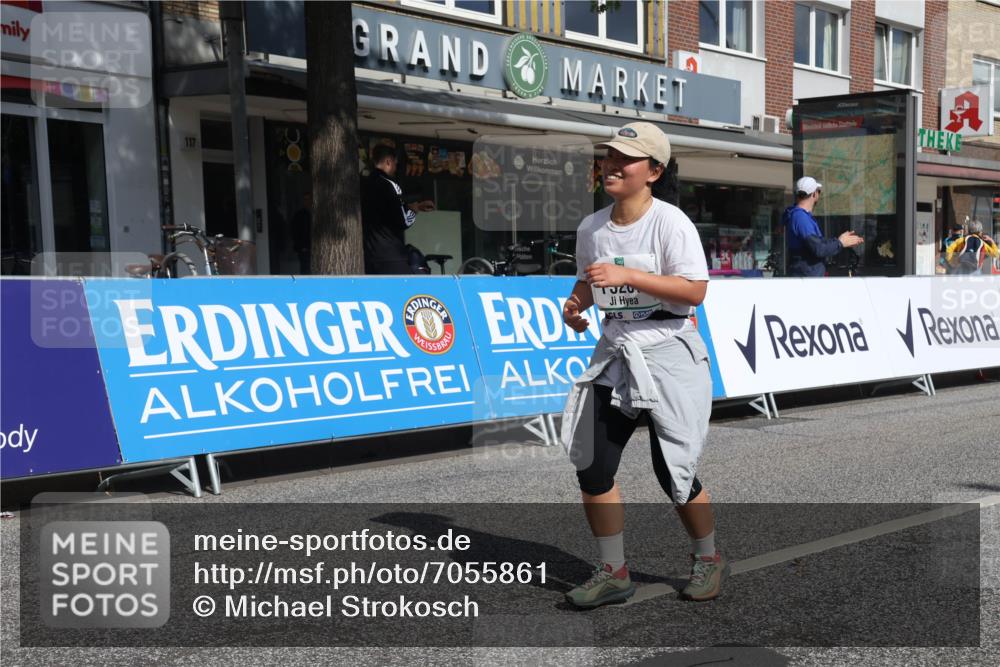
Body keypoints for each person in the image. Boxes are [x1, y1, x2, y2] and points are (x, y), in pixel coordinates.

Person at [560, 122, 726, 608]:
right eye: (609, 155)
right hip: (616, 353)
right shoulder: (591, 227)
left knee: (672, 469)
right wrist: (574, 307)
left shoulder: (671, 222)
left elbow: (695, 290)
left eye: (625, 158)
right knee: (590, 463)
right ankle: (613, 572)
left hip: (669, 350)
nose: (611, 164)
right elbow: (589, 282)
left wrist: (629, 274)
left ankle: (709, 559)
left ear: (653, 171)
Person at [360, 144, 435, 275]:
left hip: (368, 254)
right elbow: (403, 221)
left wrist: (409, 206)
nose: (395, 168)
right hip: (391, 255)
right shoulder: (390, 184)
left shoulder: (364, 183)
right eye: (395, 163)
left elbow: (384, 211)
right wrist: (415, 209)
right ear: (388, 162)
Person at [782, 177, 863, 277]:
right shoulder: (800, 217)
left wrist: (839, 241)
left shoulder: (800, 216)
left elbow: (818, 243)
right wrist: (840, 243)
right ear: (814, 194)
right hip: (807, 282)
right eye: (819, 191)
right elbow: (819, 248)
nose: (819, 195)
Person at [291, 191, 312, 274]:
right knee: (305, 269)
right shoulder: (299, 215)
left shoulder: (315, 213)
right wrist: (301, 246)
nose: (307, 201)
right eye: (305, 199)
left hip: (314, 246)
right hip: (304, 247)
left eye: (308, 199)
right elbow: (294, 231)